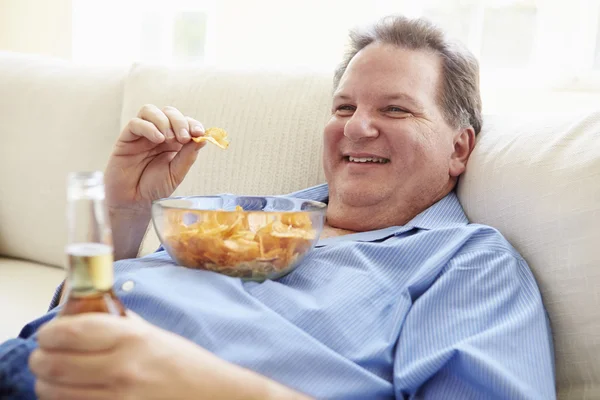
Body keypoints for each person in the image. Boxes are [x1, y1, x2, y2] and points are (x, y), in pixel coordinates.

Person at [0, 15, 555, 400]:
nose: (357, 126)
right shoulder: (240, 213)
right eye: (344, 106)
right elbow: (79, 314)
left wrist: (200, 383)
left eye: (396, 109)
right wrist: (124, 212)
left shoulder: (469, 264)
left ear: (459, 147)